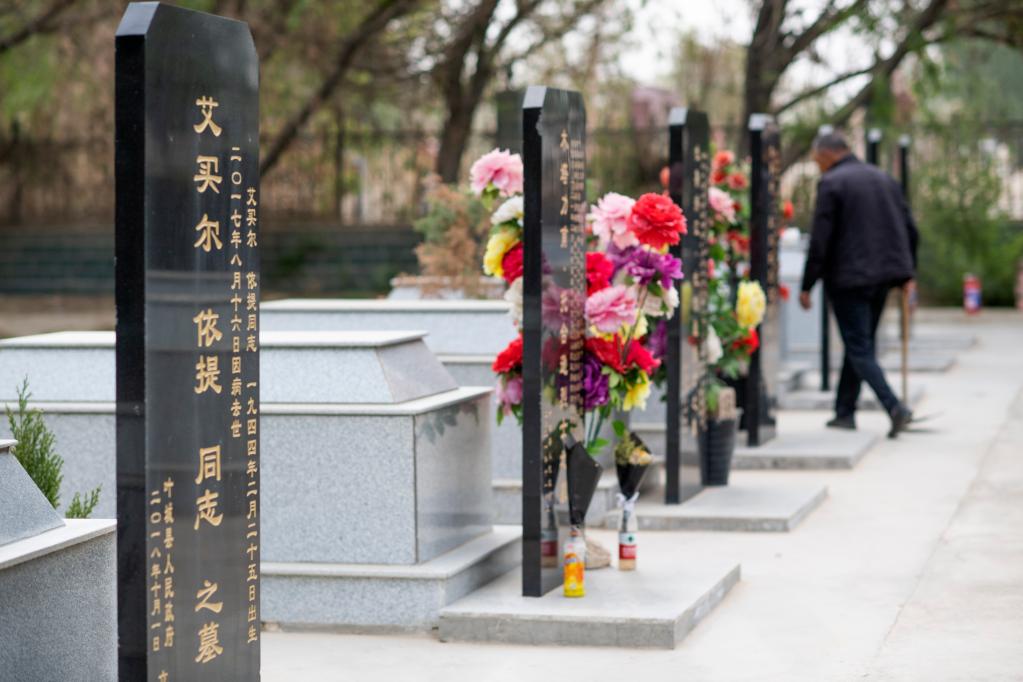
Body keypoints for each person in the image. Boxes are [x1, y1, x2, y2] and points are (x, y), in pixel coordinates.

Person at [799, 131, 918, 438]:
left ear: (827, 154)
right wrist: (907, 274)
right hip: (883, 277)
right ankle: (844, 412)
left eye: (816, 160)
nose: (817, 166)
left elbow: (820, 239)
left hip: (848, 278)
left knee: (859, 346)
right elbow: (910, 229)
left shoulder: (832, 183)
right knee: (860, 344)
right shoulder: (884, 179)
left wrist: (807, 284)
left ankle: (894, 407)